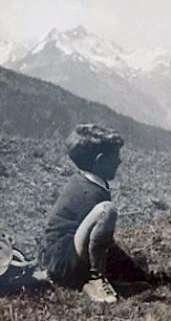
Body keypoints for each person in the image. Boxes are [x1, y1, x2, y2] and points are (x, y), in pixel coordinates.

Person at [41, 124, 147, 303]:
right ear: (100, 161)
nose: (119, 161)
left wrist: (133, 271)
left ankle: (107, 279)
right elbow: (102, 242)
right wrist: (130, 269)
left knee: (137, 264)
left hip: (61, 257)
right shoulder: (88, 193)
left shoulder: (89, 182)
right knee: (106, 210)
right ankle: (95, 278)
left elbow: (100, 241)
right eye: (115, 157)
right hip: (64, 261)